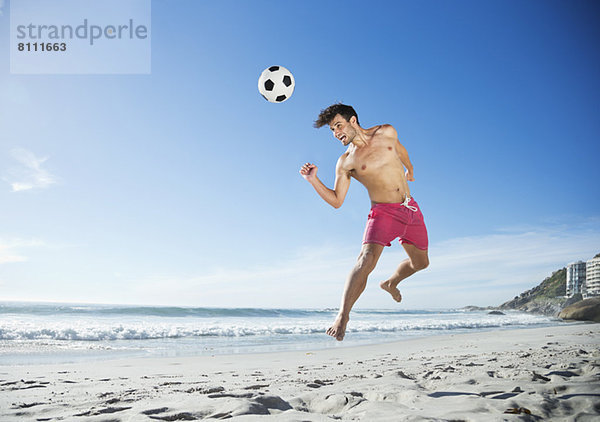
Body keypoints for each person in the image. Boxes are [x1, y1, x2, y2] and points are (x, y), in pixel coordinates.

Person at [299, 103, 429, 341]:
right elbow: (337, 200)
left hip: (410, 208)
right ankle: (342, 316)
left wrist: (409, 168)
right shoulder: (347, 161)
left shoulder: (386, 131)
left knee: (421, 263)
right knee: (366, 260)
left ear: (353, 121)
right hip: (383, 213)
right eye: (332, 130)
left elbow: (400, 151)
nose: (336, 132)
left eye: (338, 125)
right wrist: (313, 180)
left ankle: (391, 283)